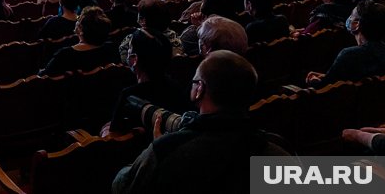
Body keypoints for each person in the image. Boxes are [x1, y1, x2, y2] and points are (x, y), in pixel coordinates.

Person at [112, 51, 289, 194]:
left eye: (195, 82)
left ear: (199, 89)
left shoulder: (166, 150)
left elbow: (120, 186)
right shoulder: (278, 151)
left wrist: (156, 147)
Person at [103, 28, 189, 137]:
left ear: (135, 59)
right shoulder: (177, 88)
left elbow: (114, 137)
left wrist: (105, 130)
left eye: (129, 48)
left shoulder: (129, 96)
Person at [306, 0, 385, 86]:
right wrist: (328, 76)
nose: (349, 18)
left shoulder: (349, 55)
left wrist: (314, 81)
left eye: (351, 16)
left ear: (356, 24)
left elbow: (325, 88)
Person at [40, 7, 118, 76]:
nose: (76, 20)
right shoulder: (112, 49)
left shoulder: (65, 55)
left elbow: (44, 77)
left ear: (81, 30)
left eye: (79, 19)